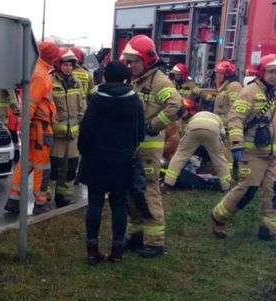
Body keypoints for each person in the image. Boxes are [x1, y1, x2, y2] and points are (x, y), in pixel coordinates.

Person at [211, 54, 276, 241]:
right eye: (270, 71)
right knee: (247, 191)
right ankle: (219, 217)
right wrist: (236, 145)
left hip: (273, 156)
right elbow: (235, 118)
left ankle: (269, 231)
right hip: (252, 154)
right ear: (262, 72)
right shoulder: (249, 92)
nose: (274, 76)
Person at [120, 35, 183, 258]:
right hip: (132, 145)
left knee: (147, 190)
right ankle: (135, 235)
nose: (131, 65)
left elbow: (176, 105)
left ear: (147, 59)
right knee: (131, 191)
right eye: (129, 61)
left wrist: (153, 126)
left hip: (148, 146)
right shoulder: (136, 80)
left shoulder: (159, 80)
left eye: (134, 60)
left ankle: (155, 241)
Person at [77, 60, 145, 264]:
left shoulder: (98, 99)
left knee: (95, 203)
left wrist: (85, 152)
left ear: (105, 77)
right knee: (118, 204)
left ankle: (91, 251)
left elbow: (86, 130)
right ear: (126, 77)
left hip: (96, 158)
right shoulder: (135, 101)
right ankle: (117, 251)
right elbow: (140, 132)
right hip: (123, 158)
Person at [3, 41, 60, 216]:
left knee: (26, 164)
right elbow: (31, 104)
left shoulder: (38, 71)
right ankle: (40, 204)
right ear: (53, 57)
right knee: (42, 167)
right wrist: (25, 128)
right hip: (39, 130)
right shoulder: (41, 75)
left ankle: (14, 201)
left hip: (35, 128)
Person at [50, 47, 87, 207]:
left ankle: (64, 198)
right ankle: (44, 201)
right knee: (53, 170)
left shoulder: (76, 82)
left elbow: (82, 106)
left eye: (71, 65)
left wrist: (78, 120)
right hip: (56, 137)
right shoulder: (50, 81)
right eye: (66, 65)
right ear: (59, 64)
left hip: (72, 137)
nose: (69, 68)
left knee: (70, 169)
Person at [163, 108, 231, 191]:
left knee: (180, 156)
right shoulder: (218, 119)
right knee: (219, 159)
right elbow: (222, 136)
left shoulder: (195, 116)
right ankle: (226, 186)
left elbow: (186, 132)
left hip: (193, 129)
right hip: (213, 131)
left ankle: (168, 184)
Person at [211, 60, 242, 180]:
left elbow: (235, 108)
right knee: (221, 151)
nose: (217, 76)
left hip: (228, 126)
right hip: (221, 124)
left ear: (227, 74)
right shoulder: (225, 86)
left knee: (227, 152)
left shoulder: (234, 86)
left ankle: (227, 177)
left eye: (220, 74)